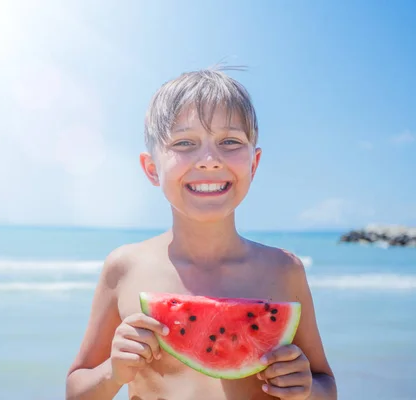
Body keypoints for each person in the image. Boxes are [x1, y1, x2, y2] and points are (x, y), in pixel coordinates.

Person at [65, 66, 337, 400]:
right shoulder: (124, 268)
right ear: (152, 168)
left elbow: (325, 384)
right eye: (184, 143)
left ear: (254, 164)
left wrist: (307, 390)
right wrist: (113, 372)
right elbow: (76, 389)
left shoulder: (284, 270)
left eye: (230, 141)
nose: (209, 160)